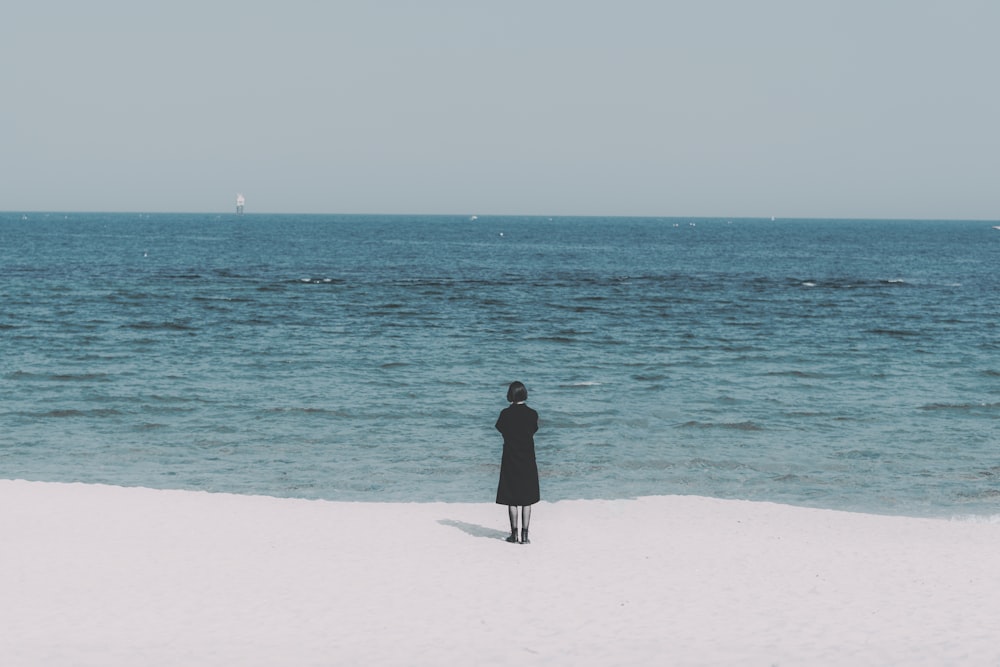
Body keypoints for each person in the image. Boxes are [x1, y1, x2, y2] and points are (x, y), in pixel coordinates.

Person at [495, 381, 540, 544]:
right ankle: (525, 535)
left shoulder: (505, 414)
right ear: (524, 394)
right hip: (527, 458)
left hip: (510, 457)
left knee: (512, 497)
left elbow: (500, 429)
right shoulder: (532, 414)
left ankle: (514, 535)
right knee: (527, 498)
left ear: (510, 395)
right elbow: (534, 430)